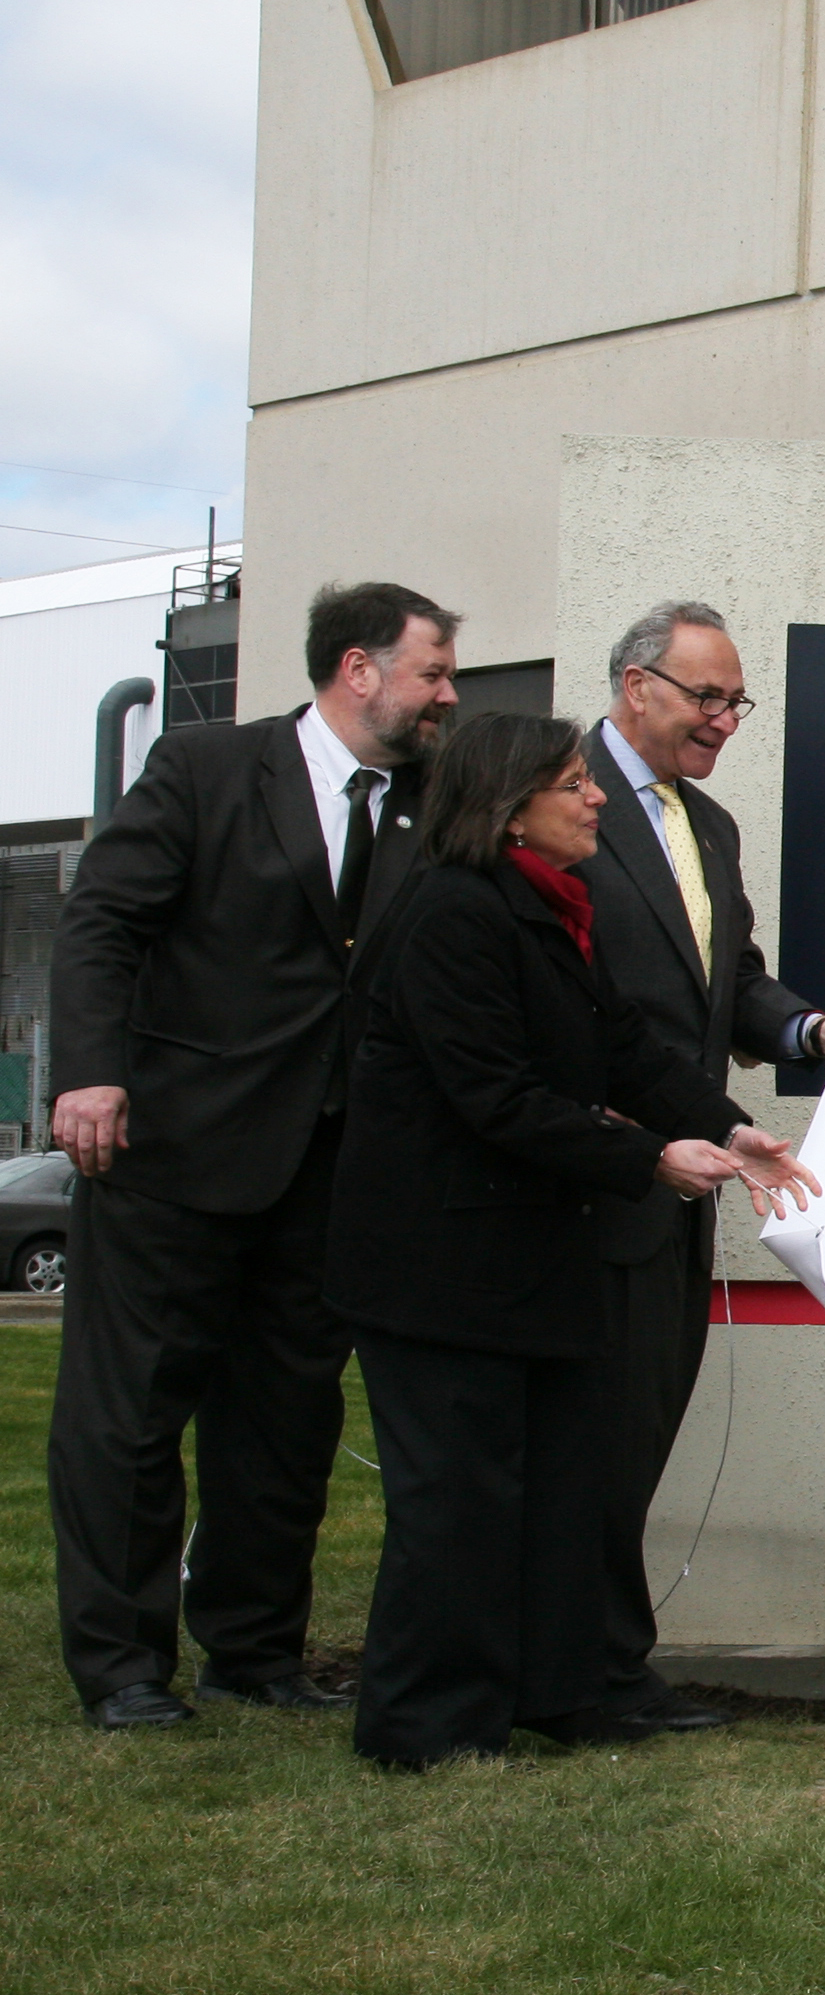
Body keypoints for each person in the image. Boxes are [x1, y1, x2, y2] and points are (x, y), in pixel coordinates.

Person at [328, 712, 818, 1770]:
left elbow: (622, 1048)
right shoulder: (451, 917)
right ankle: (430, 1726)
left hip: (528, 1263)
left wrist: (726, 1128)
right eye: (570, 785)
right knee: (456, 1501)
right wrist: (650, 1160)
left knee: (557, 1488)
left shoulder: (552, 908)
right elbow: (497, 1099)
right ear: (508, 808)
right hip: (439, 1271)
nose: (595, 796)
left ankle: (558, 1692)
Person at [45, 582, 459, 1729]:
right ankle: (124, 1669)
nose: (448, 696)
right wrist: (89, 1071)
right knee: (127, 1422)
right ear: (360, 669)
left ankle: (254, 1655)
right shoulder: (206, 768)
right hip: (170, 1157)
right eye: (432, 672)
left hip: (327, 1176)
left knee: (283, 1427)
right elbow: (102, 922)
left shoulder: (429, 802)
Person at [573, 601, 825, 1730]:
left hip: (684, 1179)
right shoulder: (554, 804)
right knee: (580, 1440)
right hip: (585, 1177)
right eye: (705, 697)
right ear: (634, 687)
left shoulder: (706, 827)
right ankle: (587, 1673)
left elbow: (731, 985)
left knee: (637, 1428)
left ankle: (599, 1663)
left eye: (736, 702)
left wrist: (818, 1031)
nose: (724, 720)